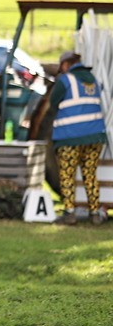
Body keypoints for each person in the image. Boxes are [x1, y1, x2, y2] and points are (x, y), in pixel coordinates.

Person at [50, 50, 107, 225]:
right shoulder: (94, 81)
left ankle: (69, 213)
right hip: (94, 137)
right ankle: (95, 213)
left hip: (70, 137)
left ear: (66, 65)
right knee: (90, 174)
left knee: (67, 174)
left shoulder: (65, 80)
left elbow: (53, 102)